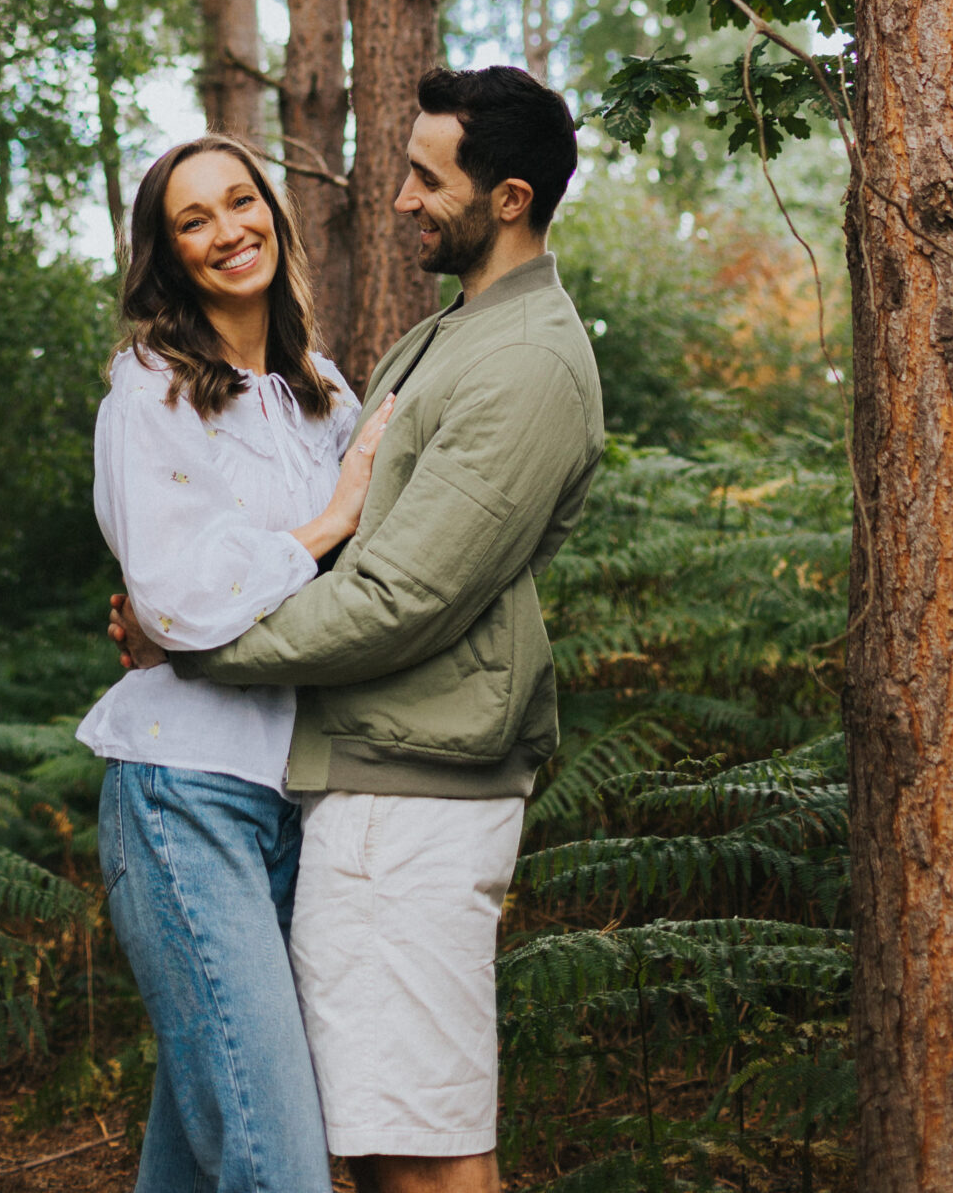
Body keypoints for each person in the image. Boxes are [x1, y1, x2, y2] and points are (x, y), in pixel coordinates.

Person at [112, 66, 604, 1193]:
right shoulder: (440, 339)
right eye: (193, 217)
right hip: (331, 781)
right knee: (329, 1138)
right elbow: (313, 546)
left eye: (427, 178)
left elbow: (402, 597)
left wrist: (194, 642)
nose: (400, 199)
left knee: (407, 1145)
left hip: (412, 793)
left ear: (511, 196)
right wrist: (174, 604)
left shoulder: (518, 360)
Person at [77, 134, 395, 1193]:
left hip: (297, 800)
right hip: (182, 795)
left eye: (240, 200)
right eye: (193, 220)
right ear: (166, 255)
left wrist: (211, 601)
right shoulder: (151, 388)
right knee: (280, 1161)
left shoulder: (325, 397)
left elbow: (355, 590)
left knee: (201, 1143)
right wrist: (322, 525)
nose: (228, 230)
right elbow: (171, 599)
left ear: (275, 209)